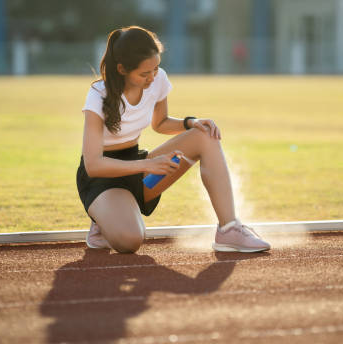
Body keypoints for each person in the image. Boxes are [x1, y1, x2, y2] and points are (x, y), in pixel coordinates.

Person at [76, 26, 270, 253]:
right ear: (122, 69)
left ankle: (229, 229)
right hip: (103, 179)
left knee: (205, 135)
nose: (152, 77)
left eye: (156, 69)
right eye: (144, 74)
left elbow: (160, 123)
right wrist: (148, 164)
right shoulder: (99, 95)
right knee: (129, 241)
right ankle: (103, 219)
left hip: (139, 170)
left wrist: (190, 123)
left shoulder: (158, 80)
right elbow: (93, 165)